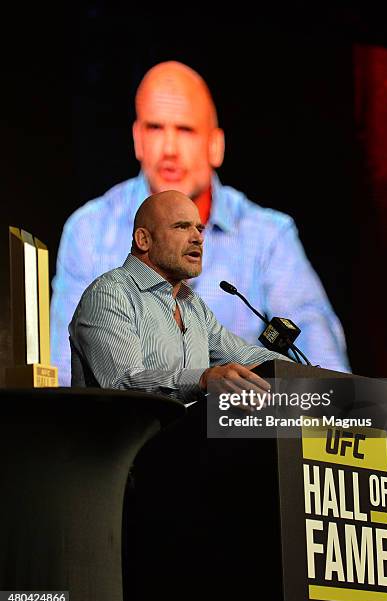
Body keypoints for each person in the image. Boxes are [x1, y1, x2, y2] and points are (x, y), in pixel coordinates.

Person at [52, 60, 349, 386]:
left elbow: (318, 357)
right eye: (155, 128)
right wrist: (202, 380)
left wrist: (334, 402)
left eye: (185, 130)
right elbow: (69, 379)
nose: (169, 150)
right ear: (137, 139)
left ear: (215, 145)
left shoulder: (268, 238)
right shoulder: (89, 232)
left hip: (235, 431)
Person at [69, 190, 290, 399]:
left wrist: (303, 373)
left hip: (188, 438)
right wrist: (203, 379)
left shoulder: (191, 304)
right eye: (182, 227)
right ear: (143, 240)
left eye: (199, 229)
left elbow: (245, 355)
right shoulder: (110, 294)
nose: (198, 238)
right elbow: (123, 382)